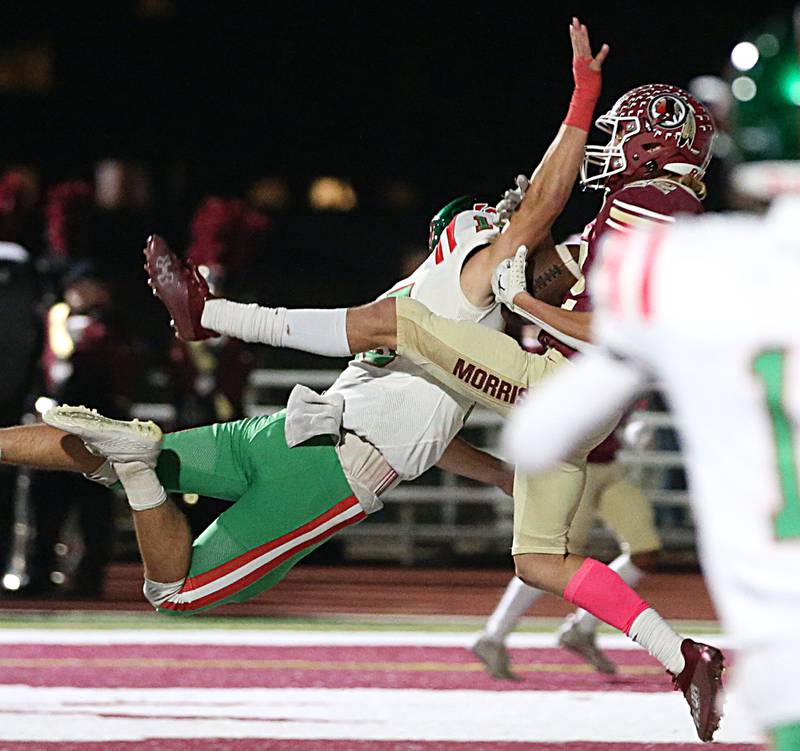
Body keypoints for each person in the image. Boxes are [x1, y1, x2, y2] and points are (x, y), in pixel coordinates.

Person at [124, 75, 723, 741]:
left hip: (559, 386)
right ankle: (684, 658)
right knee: (539, 562)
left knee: (402, 324)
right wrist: (525, 279)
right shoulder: (639, 217)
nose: (612, 150)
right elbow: (553, 255)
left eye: (623, 136)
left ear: (655, 142)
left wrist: (521, 296)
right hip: (577, 409)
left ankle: (211, 316)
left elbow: (614, 321)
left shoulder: (654, 199)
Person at [3, 19, 606, 612]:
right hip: (334, 470)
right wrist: (582, 98)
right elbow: (543, 203)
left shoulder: (424, 291)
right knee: (174, 590)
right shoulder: (472, 284)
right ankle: (139, 466)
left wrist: (500, 475)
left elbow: (427, 423)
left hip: (286, 434)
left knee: (105, 459)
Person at [501, 18, 800, 749]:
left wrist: (526, 301)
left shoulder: (678, 267)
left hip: (777, 633)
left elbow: (535, 434)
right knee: (540, 550)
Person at [472, 428, 661, 678]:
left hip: (610, 467)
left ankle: (582, 629)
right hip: (569, 466)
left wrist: (629, 430)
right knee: (547, 559)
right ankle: (493, 637)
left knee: (645, 552)